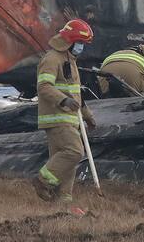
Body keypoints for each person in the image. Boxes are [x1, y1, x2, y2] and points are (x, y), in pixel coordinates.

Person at [31, 18, 97, 204]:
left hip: (69, 117)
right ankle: (42, 181)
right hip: (57, 116)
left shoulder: (69, 60)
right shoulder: (52, 59)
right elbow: (44, 86)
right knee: (74, 151)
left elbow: (75, 94)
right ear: (70, 41)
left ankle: (63, 199)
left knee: (65, 161)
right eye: (81, 43)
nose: (82, 47)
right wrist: (64, 100)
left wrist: (87, 116)